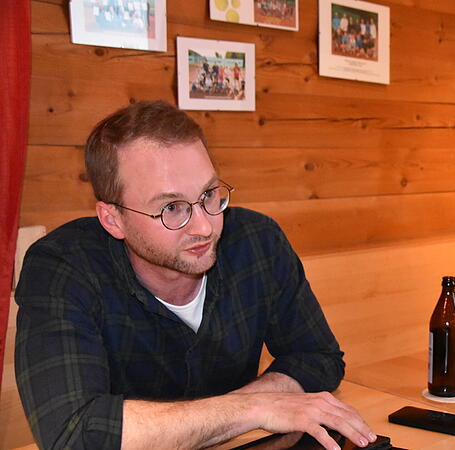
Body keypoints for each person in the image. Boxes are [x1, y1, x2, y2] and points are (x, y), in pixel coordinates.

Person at [15, 101, 376, 450]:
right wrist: (254, 408)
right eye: (171, 208)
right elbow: (74, 434)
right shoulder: (62, 267)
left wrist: (233, 414)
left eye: (208, 195)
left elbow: (318, 357)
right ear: (113, 219)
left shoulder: (256, 241)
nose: (204, 226)